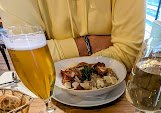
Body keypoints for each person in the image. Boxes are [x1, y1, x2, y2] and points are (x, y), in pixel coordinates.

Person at [0, 0, 145, 71]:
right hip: (47, 95)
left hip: (114, 90)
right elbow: (28, 59)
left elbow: (128, 54)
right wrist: (89, 44)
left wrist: (53, 54)